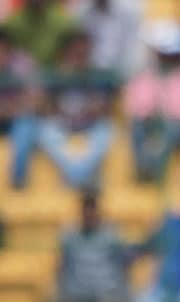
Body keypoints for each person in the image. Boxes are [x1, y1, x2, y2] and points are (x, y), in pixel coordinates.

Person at [29, 28, 119, 189]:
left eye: (84, 51)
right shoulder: (55, 74)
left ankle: (74, 177)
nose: (80, 54)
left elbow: (105, 107)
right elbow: (43, 106)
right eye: (76, 50)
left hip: (90, 126)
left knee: (108, 132)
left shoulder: (98, 74)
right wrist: (64, 80)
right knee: (44, 132)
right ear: (67, 51)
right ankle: (81, 178)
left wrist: (91, 106)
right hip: (61, 125)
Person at [124, 20, 180, 182]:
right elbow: (136, 108)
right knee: (137, 129)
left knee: (169, 132)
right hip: (149, 125)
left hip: (178, 127)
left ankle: (153, 170)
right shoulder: (144, 75)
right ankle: (144, 169)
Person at [53, 189, 131, 302]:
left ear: (98, 211)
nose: (89, 213)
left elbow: (123, 266)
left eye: (92, 208)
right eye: (86, 208)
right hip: (78, 295)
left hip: (106, 293)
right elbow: (62, 268)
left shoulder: (111, 235)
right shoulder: (69, 236)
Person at [1, 24, 41, 188]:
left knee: (27, 125)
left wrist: (11, 108)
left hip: (18, 118)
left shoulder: (24, 63)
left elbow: (36, 99)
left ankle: (18, 183)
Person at [73, 0, 142, 80]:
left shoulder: (129, 11)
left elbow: (131, 50)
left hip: (119, 76)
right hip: (87, 76)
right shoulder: (82, 11)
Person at [3, 0, 77, 68]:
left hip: (56, 75)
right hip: (20, 76)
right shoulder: (11, 24)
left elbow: (73, 55)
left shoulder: (65, 23)